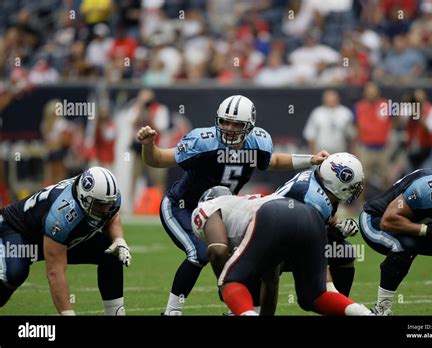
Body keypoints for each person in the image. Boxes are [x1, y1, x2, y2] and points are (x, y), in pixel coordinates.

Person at [137, 94, 329, 315]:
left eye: (236, 123)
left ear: (249, 126)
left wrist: (310, 159)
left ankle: (246, 308)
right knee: (199, 254)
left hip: (221, 212)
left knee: (250, 254)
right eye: (224, 121)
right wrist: (148, 145)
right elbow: (158, 159)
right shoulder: (203, 141)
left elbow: (273, 161)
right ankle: (172, 311)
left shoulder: (258, 142)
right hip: (183, 207)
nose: (228, 127)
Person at [191, 186, 371, 316]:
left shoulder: (207, 207)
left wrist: (224, 284)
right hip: (308, 217)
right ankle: (363, 313)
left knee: (230, 281)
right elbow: (271, 282)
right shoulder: (244, 208)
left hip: (272, 216)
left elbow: (218, 250)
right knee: (314, 296)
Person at [0, 167, 131, 315]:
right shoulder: (62, 214)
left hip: (54, 235)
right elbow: (55, 273)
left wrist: (118, 239)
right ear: (83, 198)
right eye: (100, 205)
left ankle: (115, 313)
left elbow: (112, 216)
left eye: (109, 204)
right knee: (15, 273)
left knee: (111, 252)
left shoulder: (106, 198)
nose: (106, 209)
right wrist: (67, 313)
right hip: (18, 231)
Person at [359, 151, 432, 315]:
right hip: (375, 220)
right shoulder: (427, 188)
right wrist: (429, 230)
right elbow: (388, 221)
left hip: (412, 226)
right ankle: (381, 309)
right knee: (406, 246)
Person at [275, 152, 364, 296]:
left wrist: (340, 227)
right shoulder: (314, 199)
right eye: (352, 186)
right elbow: (314, 246)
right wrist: (328, 286)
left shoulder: (321, 183)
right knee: (311, 294)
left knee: (344, 251)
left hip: (292, 236)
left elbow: (325, 220)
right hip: (275, 243)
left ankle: (338, 309)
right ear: (339, 182)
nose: (355, 190)